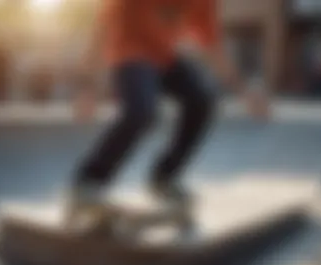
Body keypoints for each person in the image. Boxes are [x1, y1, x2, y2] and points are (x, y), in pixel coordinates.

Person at [70, 0, 269, 210]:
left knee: (202, 100)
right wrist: (87, 85)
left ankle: (164, 177)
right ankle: (89, 181)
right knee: (142, 111)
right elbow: (104, 25)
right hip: (129, 52)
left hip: (165, 58)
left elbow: (212, 47)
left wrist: (244, 92)